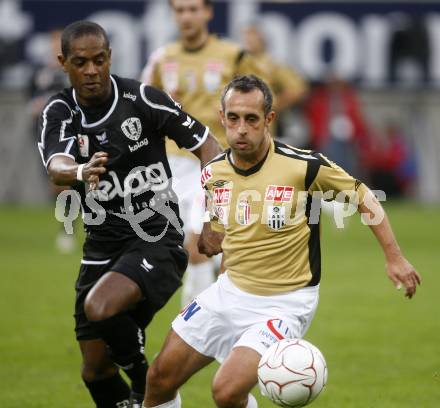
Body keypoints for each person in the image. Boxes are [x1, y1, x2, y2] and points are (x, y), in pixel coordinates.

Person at [142, 75, 421, 408]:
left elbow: (364, 197)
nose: (241, 128)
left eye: (251, 119)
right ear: (222, 118)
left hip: (285, 304)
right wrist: (216, 278)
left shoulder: (303, 166)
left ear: (269, 120)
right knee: (158, 379)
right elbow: (226, 235)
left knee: (226, 392)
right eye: (233, 118)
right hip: (230, 291)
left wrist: (395, 257)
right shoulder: (214, 173)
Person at [37, 20, 220, 408]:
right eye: (81, 62)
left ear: (109, 58)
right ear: (63, 63)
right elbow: (56, 165)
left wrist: (212, 215)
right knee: (95, 371)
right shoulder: (60, 111)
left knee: (100, 307)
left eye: (99, 60)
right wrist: (80, 172)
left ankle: (148, 387)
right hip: (101, 246)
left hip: (158, 239)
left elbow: (209, 146)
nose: (91, 71)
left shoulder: (142, 100)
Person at [140, 0, 268, 307]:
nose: (187, 16)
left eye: (193, 9)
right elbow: (141, 108)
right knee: (192, 249)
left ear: (208, 12)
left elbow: (260, 106)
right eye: (180, 10)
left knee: (198, 244)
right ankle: (213, 310)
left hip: (216, 162)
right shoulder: (162, 58)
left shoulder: (233, 56)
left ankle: (193, 323)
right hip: (171, 165)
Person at [29, 28, 76, 252]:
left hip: (71, 134)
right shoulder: (39, 73)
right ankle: (68, 226)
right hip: (44, 135)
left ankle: (67, 229)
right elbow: (30, 100)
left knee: (67, 182)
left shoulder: (74, 73)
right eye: (53, 43)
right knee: (57, 185)